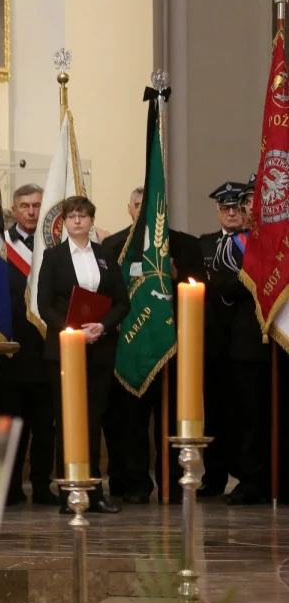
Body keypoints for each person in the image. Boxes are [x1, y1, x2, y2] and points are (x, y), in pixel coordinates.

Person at [99, 188, 206, 504]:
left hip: (173, 350)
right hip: (128, 348)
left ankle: (174, 483)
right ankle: (134, 483)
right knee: (129, 422)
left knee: (172, 419)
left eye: (152, 207)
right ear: (129, 209)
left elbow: (200, 291)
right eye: (137, 206)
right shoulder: (112, 246)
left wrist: (177, 277)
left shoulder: (186, 244)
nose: (144, 213)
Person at [37, 196, 130, 513]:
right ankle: (68, 494)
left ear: (92, 221)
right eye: (72, 216)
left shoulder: (105, 256)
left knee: (93, 420)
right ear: (64, 222)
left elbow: (122, 302)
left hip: (100, 348)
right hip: (64, 349)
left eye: (83, 216)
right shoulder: (53, 257)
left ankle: (95, 493)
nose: (78, 221)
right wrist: (72, 331)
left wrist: (102, 327)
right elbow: (44, 305)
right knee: (67, 420)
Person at [201, 181, 270, 504]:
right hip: (225, 344)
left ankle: (261, 477)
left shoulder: (266, 243)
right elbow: (221, 289)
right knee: (232, 415)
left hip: (258, 341)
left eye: (242, 207)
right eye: (230, 208)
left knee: (256, 415)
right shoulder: (211, 244)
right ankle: (239, 476)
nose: (237, 213)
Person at [0, 184, 58, 506]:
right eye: (25, 206)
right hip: (11, 351)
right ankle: (11, 487)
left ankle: (43, 485)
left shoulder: (56, 246)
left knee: (46, 429)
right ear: (14, 210)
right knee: (11, 427)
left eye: (37, 206)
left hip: (48, 352)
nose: (31, 212)